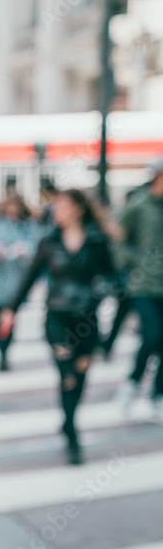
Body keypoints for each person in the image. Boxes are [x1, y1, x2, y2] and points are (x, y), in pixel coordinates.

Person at [0, 189, 117, 465]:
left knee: (81, 376)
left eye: (62, 207)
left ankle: (68, 419)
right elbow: (29, 277)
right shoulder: (49, 242)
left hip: (87, 319)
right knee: (68, 375)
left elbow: (114, 276)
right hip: (58, 318)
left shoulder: (97, 241)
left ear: (77, 208)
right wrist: (10, 310)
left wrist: (101, 291)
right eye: (55, 207)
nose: (56, 212)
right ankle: (73, 437)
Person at [114, 157, 163, 418]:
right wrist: (133, 261)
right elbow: (119, 238)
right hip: (144, 284)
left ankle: (158, 393)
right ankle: (132, 382)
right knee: (152, 335)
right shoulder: (140, 205)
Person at [0, 194, 43, 371]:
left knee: (10, 318)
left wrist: (25, 250)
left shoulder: (29, 226)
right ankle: (1, 351)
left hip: (16, 283)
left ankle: (5, 350)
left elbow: (38, 249)